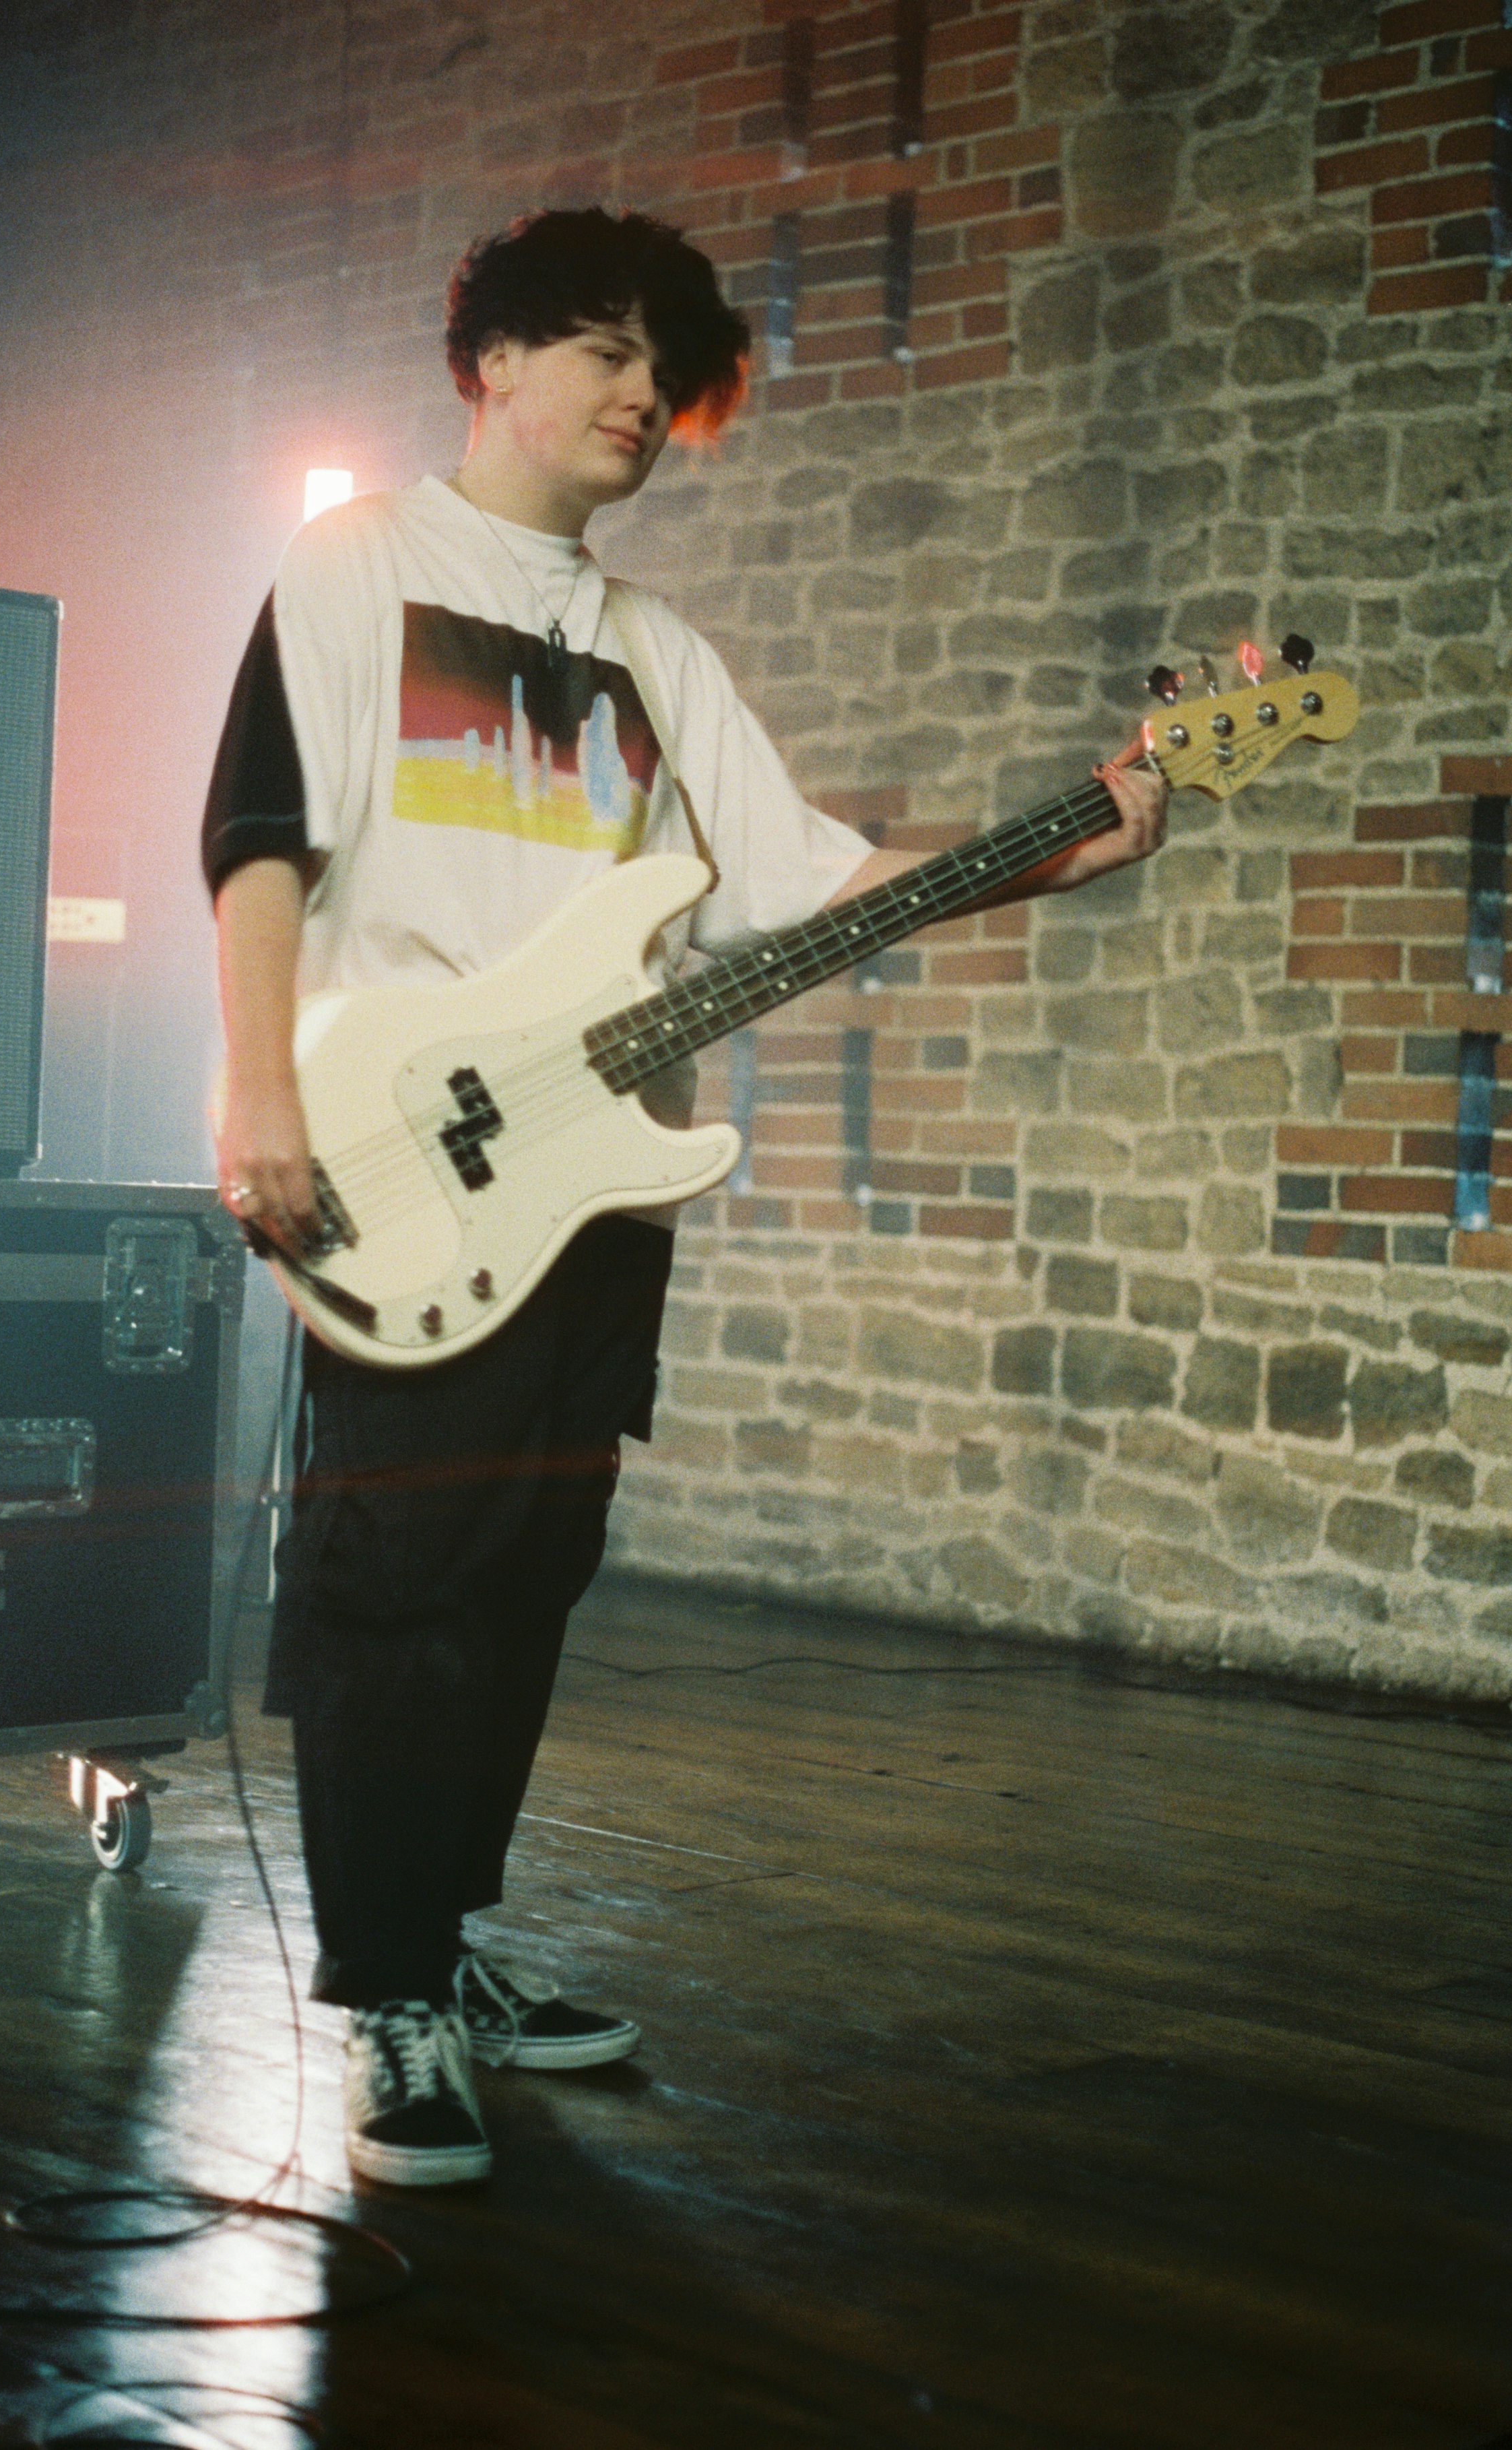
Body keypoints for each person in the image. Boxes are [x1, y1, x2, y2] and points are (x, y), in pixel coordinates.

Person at [202, 207, 1167, 2190]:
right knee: (402, 1591)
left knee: (527, 1582)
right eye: (603, 350)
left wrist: (1088, 832)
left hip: (598, 1190)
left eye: (669, 361)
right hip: (399, 1145)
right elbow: (260, 833)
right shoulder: (359, 564)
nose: (644, 392)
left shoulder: (659, 653)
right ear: (493, 364)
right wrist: (252, 1083)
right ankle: (379, 1994)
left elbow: (820, 887)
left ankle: (441, 1951)